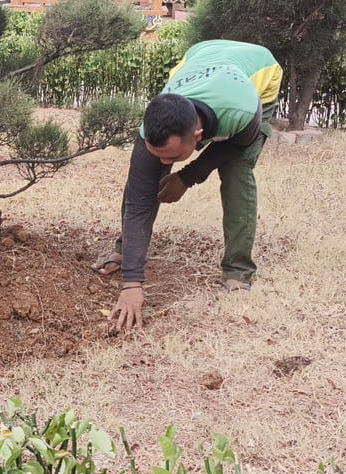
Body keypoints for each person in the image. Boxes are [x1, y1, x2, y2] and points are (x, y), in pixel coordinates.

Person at [93, 39, 283, 331]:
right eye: (159, 155)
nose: (164, 161)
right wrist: (132, 281)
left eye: (171, 157)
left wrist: (187, 176)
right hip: (202, 54)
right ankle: (124, 249)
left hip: (259, 71)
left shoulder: (242, 111)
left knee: (236, 172)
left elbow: (235, 146)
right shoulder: (152, 128)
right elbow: (140, 200)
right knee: (141, 183)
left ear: (198, 135)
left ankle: (238, 270)